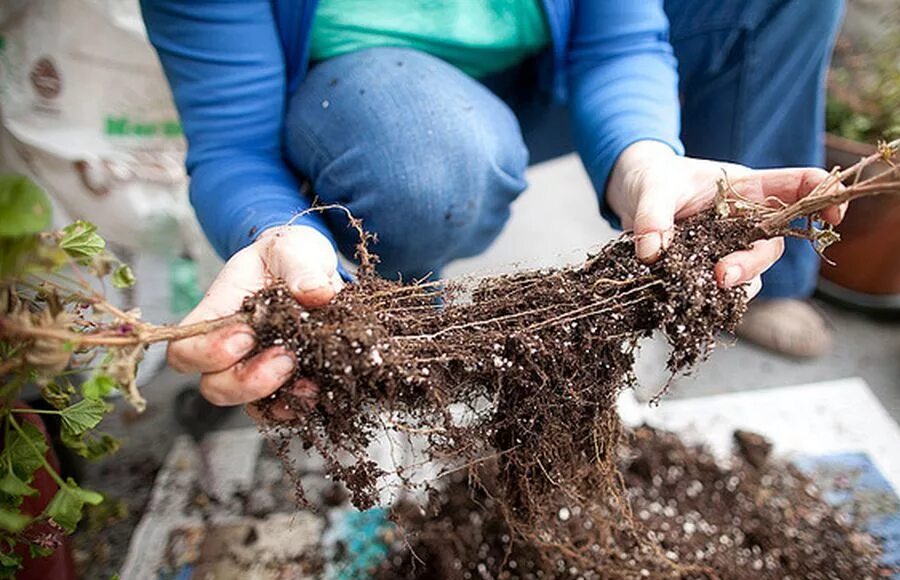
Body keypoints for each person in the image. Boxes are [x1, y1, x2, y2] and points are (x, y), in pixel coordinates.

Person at [141, 0, 846, 409]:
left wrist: (644, 159)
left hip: (544, 75)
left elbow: (618, 42)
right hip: (367, 101)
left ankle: (735, 258)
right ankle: (396, 335)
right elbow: (236, 144)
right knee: (424, 162)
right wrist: (277, 233)